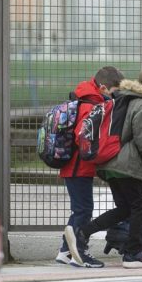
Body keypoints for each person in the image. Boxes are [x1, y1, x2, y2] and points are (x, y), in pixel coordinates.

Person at [65, 64, 142, 269]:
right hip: (126, 164)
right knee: (140, 205)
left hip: (109, 162)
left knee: (125, 208)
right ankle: (133, 253)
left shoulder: (123, 98)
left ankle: (82, 232)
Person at [56, 66, 125, 268]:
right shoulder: (90, 105)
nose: (115, 96)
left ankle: (65, 251)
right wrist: (98, 150)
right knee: (83, 211)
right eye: (114, 91)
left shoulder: (85, 98)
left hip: (75, 166)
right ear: (103, 87)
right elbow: (83, 135)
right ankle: (80, 253)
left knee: (79, 209)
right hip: (79, 167)